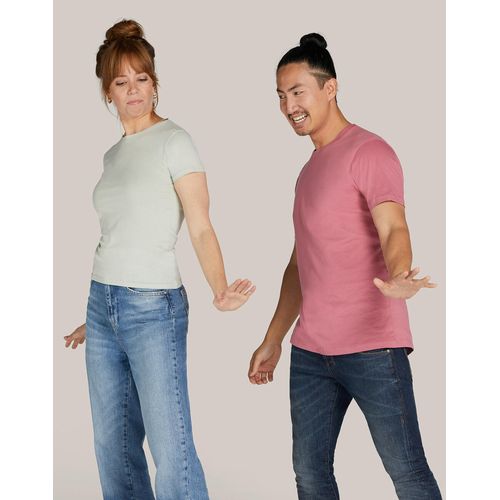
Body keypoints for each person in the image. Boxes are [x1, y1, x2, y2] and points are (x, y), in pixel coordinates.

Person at [63, 19, 255, 500]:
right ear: (107, 92)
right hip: (102, 305)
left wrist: (219, 287)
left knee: (172, 448)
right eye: (121, 82)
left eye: (142, 78)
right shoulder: (113, 156)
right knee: (112, 445)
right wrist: (100, 316)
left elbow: (201, 224)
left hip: (153, 309)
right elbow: (119, 234)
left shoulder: (175, 141)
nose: (133, 90)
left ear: (155, 83)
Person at [248, 33, 442, 500]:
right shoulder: (308, 171)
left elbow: (393, 227)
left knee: (408, 472)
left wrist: (400, 273)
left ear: (330, 88)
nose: (289, 106)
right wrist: (273, 338)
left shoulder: (369, 151)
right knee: (310, 475)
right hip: (311, 352)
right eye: (281, 95)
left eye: (298, 92)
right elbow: (299, 264)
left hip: (373, 346)